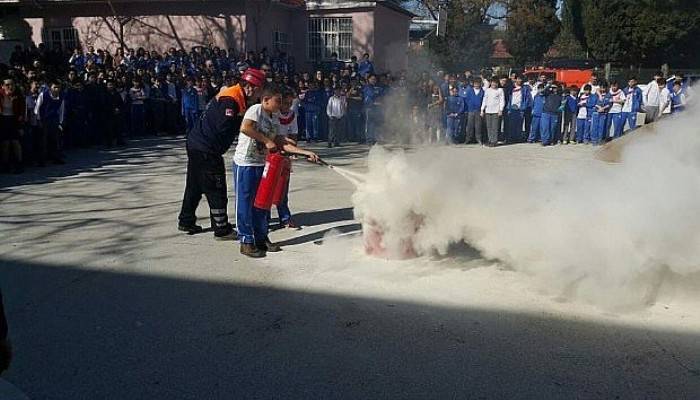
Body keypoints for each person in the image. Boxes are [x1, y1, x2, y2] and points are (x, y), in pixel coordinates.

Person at [178, 68, 265, 241]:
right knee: (216, 187)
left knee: (195, 185)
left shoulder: (233, 95)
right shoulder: (230, 101)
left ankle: (186, 220)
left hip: (196, 144)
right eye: (259, 90)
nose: (259, 95)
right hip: (206, 149)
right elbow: (224, 128)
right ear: (250, 87)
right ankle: (221, 228)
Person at [233, 84, 319, 258]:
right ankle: (246, 241)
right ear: (265, 100)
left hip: (262, 164)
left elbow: (280, 141)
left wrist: (304, 152)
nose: (280, 105)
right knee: (245, 203)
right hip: (246, 163)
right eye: (277, 101)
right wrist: (266, 141)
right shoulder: (256, 110)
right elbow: (246, 128)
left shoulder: (274, 118)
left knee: (262, 203)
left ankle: (261, 238)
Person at [276, 90, 300, 230]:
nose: (288, 106)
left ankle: (284, 217)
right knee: (269, 188)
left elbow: (294, 134)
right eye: (286, 103)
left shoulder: (292, 115)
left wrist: (293, 150)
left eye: (291, 103)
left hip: (286, 153)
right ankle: (264, 218)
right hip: (273, 152)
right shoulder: (273, 114)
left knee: (283, 188)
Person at [35, 81, 66, 165]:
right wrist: (38, 120)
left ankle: (56, 158)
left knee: (55, 140)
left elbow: (61, 110)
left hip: (54, 120)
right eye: (54, 87)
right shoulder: (43, 95)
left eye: (58, 87)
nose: (56, 89)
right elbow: (37, 108)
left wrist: (60, 122)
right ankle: (42, 160)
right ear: (50, 87)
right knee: (43, 141)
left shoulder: (61, 97)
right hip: (44, 120)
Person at [0, 79, 26, 174]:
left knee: (16, 143)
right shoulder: (1, 95)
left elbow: (22, 112)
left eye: (12, 85)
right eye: (7, 85)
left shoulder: (18, 96)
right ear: (2, 86)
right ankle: (5, 165)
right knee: (5, 144)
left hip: (14, 120)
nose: (10, 87)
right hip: (3, 120)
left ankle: (19, 164)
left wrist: (21, 126)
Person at [506, 76, 530, 144]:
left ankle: (518, 137)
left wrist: (524, 107)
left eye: (521, 79)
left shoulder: (525, 88)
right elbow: (508, 97)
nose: (519, 80)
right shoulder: (511, 87)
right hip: (512, 108)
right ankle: (511, 137)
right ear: (515, 79)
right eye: (518, 79)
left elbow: (527, 98)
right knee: (511, 124)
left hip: (520, 108)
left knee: (519, 124)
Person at [481, 79, 504, 147]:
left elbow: (502, 100)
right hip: (488, 111)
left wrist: (501, 109)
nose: (494, 84)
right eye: (493, 82)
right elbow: (484, 100)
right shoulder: (487, 90)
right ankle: (490, 140)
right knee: (489, 127)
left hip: (496, 111)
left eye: (495, 83)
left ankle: (494, 141)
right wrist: (482, 110)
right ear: (491, 83)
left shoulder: (500, 90)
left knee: (495, 127)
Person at [363, 74, 384, 145]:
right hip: (369, 108)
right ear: (368, 79)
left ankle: (375, 139)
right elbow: (367, 98)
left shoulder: (378, 88)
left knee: (376, 124)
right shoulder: (366, 88)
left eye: (374, 79)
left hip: (377, 109)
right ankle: (369, 139)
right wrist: (373, 103)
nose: (373, 80)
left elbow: (381, 95)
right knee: (369, 124)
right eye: (372, 79)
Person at [463, 79, 484, 145]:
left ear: (480, 84)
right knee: (469, 125)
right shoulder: (470, 91)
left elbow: (483, 101)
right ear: (473, 84)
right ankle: (468, 139)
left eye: (478, 83)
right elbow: (467, 99)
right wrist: (469, 106)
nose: (476, 85)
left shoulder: (482, 91)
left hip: (478, 111)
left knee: (478, 126)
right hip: (471, 110)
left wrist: (482, 110)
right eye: (475, 83)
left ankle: (479, 139)